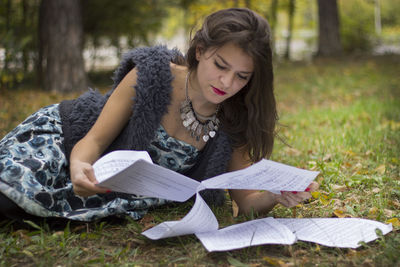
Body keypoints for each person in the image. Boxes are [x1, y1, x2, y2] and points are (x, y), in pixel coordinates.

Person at [0, 8, 318, 224]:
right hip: (59, 141)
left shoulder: (235, 119)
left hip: (109, 190)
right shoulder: (153, 74)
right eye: (220, 65)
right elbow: (92, 142)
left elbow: (245, 202)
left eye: (241, 76)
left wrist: (275, 195)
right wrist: (79, 165)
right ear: (200, 51)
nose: (226, 83)